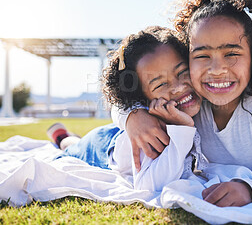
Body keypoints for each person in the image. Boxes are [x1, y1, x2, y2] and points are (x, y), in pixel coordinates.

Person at [114, 0, 252, 207]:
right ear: (187, 56)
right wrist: (132, 116)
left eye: (231, 54)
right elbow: (119, 93)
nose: (217, 70)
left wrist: (250, 189)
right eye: (202, 55)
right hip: (115, 145)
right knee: (83, 145)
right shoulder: (186, 96)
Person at [48, 26, 208, 191]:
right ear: (142, 98)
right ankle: (62, 137)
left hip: (115, 131)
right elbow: (149, 184)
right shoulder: (149, 130)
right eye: (160, 84)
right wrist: (183, 128)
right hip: (102, 146)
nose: (178, 87)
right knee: (71, 147)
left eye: (182, 72)